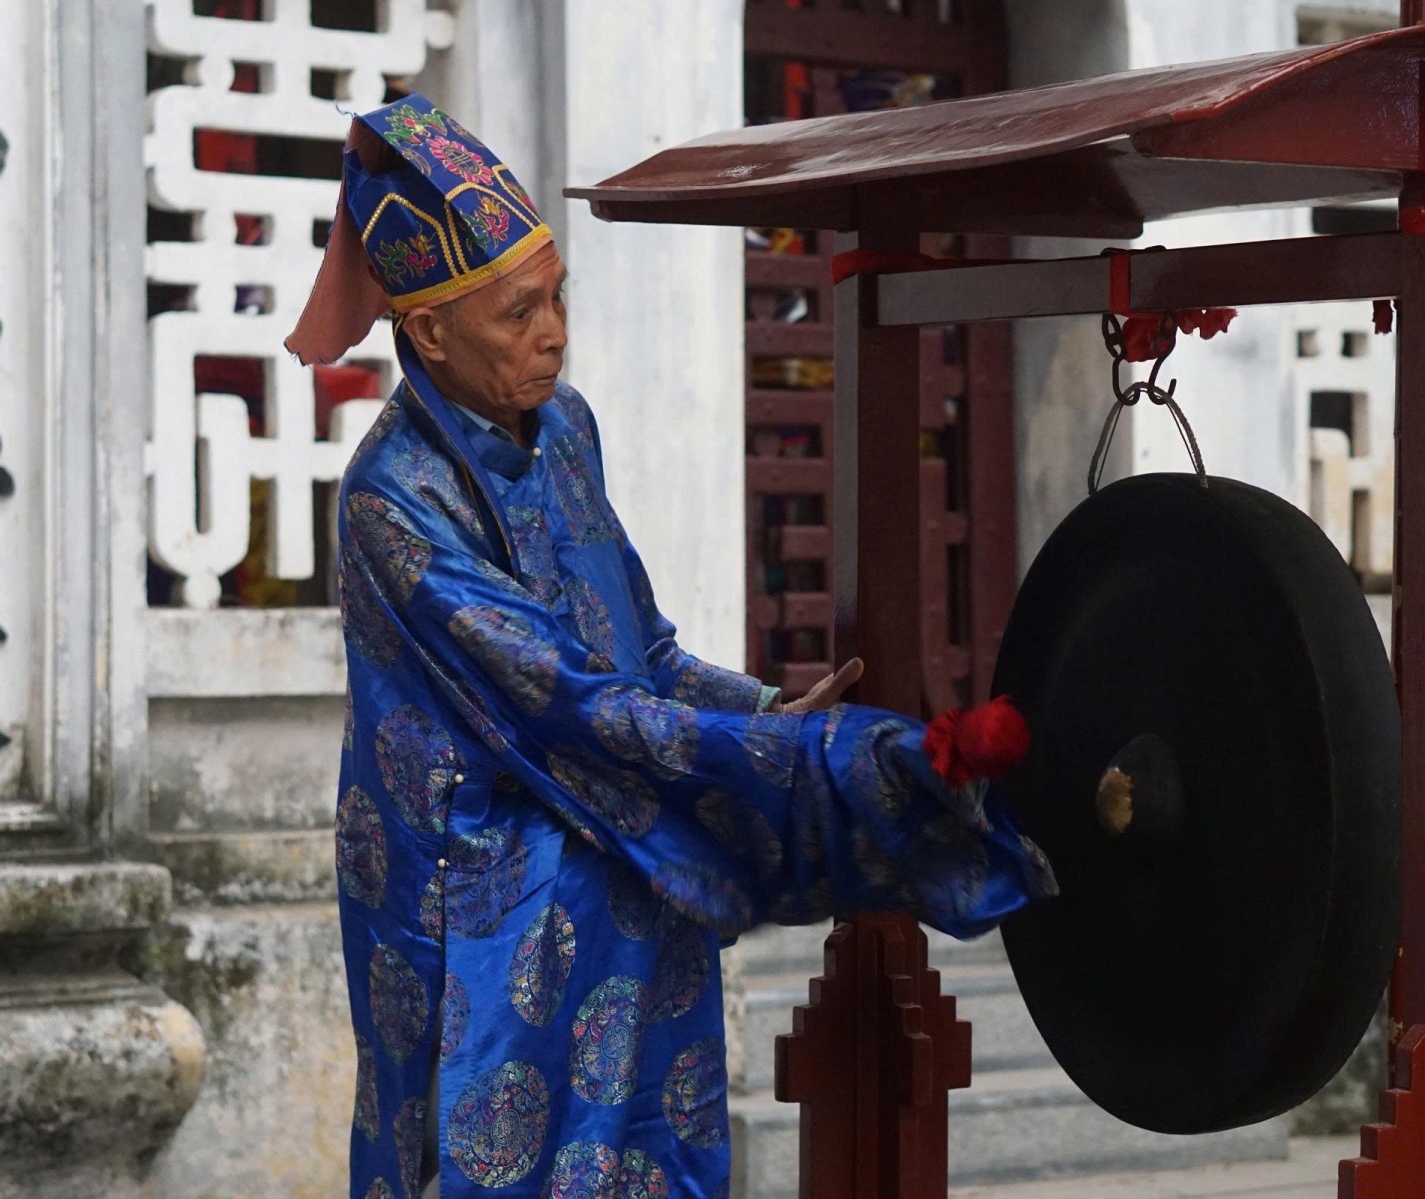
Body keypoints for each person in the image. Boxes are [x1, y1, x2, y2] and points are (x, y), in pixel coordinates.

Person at [284, 94, 1056, 1199]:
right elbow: (557, 697)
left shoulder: (566, 427)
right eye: (516, 314)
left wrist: (763, 711)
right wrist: (817, 765)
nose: (551, 332)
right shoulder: (389, 499)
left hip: (608, 835)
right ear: (429, 333)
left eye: (558, 299)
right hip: (471, 884)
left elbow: (638, 646)